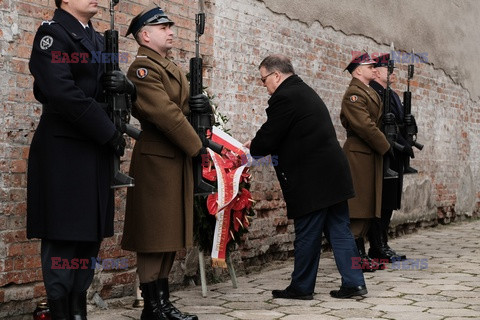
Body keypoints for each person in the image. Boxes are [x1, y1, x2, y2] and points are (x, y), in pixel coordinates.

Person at [27, 0, 134, 319]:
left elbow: (116, 97)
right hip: (65, 151)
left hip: (95, 151)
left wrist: (126, 88)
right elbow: (61, 91)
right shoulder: (53, 35)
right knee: (63, 236)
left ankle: (77, 310)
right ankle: (61, 311)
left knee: (89, 236)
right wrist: (107, 132)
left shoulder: (101, 41)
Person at [244, 54, 367, 300]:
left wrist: (252, 148)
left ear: (276, 76)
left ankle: (301, 287)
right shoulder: (301, 90)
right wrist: (257, 145)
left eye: (263, 79)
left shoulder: (285, 96)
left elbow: (271, 134)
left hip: (313, 179)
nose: (264, 85)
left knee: (308, 232)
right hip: (332, 174)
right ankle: (355, 283)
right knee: (340, 229)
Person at [121, 5, 209, 320]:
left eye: (170, 27)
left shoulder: (166, 64)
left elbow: (182, 108)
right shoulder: (143, 69)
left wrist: (202, 107)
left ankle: (163, 304)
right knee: (154, 236)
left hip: (174, 158)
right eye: (163, 28)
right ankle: (151, 306)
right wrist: (197, 146)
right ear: (145, 35)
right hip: (158, 159)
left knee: (169, 234)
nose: (171, 31)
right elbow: (165, 113)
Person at [340, 52, 391, 272]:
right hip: (359, 154)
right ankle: (355, 257)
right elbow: (365, 126)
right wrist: (386, 146)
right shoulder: (354, 94)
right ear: (358, 70)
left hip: (369, 154)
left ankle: (360, 255)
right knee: (358, 206)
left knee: (369, 205)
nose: (374, 69)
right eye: (369, 66)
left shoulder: (367, 91)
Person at [367, 54, 411, 262]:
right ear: (375, 71)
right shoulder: (374, 92)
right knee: (382, 202)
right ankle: (377, 246)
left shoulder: (390, 93)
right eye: (387, 69)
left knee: (391, 201)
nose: (391, 73)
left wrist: (409, 122)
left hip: (396, 154)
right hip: (384, 153)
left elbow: (399, 120)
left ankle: (383, 244)